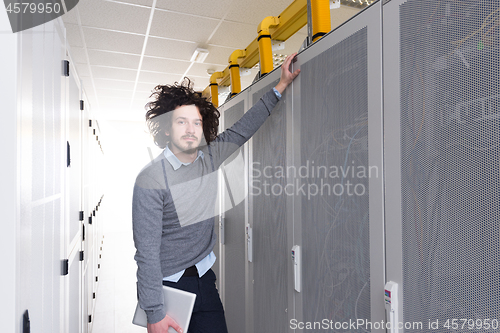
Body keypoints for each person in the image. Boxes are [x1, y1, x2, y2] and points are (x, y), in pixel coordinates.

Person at [132, 52, 300, 333]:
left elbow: (242, 130)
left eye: (196, 122)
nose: (190, 129)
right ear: (166, 127)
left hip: (204, 280)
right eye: (180, 121)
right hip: (169, 287)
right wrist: (154, 312)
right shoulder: (150, 179)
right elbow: (146, 253)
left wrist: (280, 86)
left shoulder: (208, 158)